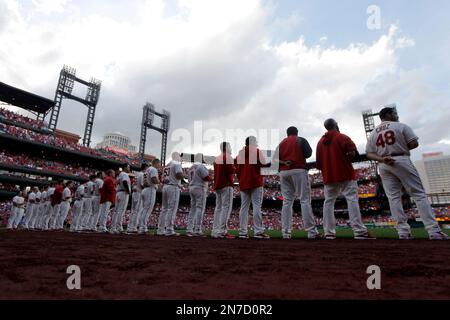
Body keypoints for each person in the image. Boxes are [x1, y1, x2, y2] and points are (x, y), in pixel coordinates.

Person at [366, 107, 448, 240]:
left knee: (393, 198)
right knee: (419, 194)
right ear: (387, 114)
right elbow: (414, 143)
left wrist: (382, 158)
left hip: (383, 164)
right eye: (394, 113)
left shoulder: (373, 133)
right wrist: (399, 146)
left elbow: (369, 153)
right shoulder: (400, 126)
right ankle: (433, 230)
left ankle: (403, 232)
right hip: (400, 159)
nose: (396, 115)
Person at [316, 119, 373, 240]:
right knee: (352, 199)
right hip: (345, 173)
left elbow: (319, 163)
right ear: (336, 125)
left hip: (329, 176)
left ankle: (329, 232)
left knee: (328, 202)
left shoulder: (320, 142)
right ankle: (359, 231)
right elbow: (353, 154)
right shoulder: (342, 137)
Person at [273, 126, 319, 239]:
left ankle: (286, 232)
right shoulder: (300, 139)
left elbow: (274, 160)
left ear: (287, 133)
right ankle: (311, 232)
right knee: (304, 200)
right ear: (296, 133)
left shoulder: (281, 143)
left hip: (284, 172)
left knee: (287, 202)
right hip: (298, 169)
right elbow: (308, 153)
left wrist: (284, 161)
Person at [236, 136, 270, 239]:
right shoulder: (256, 151)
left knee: (244, 207)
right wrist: (273, 162)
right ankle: (258, 232)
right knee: (256, 206)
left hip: (243, 182)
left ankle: (242, 232)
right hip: (255, 181)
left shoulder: (240, 154)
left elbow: (237, 170)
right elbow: (264, 164)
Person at [211, 142, 235, 239]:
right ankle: (222, 231)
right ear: (227, 147)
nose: (231, 148)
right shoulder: (227, 157)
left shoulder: (217, 158)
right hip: (226, 185)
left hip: (218, 185)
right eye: (230, 146)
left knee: (218, 208)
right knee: (226, 208)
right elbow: (231, 170)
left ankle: (215, 230)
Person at [158, 153, 183, 236]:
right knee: (171, 208)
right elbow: (179, 175)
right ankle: (169, 229)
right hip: (173, 187)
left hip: (165, 187)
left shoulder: (167, 165)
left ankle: (160, 229)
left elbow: (162, 179)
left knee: (164, 208)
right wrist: (184, 176)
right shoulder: (176, 163)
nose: (180, 158)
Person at [186, 154, 210, 237]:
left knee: (192, 209)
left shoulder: (191, 167)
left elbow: (188, 179)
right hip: (199, 187)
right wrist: (212, 178)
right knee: (200, 208)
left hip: (191, 187)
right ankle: (197, 229)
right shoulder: (201, 166)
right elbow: (206, 178)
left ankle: (189, 229)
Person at [138, 158, 161, 234]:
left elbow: (144, 183)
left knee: (144, 209)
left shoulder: (147, 170)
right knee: (147, 210)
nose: (159, 165)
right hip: (150, 190)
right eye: (159, 164)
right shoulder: (153, 169)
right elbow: (154, 179)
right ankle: (143, 228)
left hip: (145, 190)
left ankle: (142, 227)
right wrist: (159, 182)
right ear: (156, 163)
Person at [111, 164, 131, 233]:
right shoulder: (124, 174)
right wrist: (128, 191)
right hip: (123, 193)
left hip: (118, 193)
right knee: (121, 211)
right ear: (125, 168)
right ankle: (119, 227)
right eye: (128, 167)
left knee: (116, 211)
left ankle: (113, 227)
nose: (129, 168)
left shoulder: (119, 175)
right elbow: (124, 182)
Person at [128, 163, 147, 233]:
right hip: (139, 193)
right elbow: (142, 185)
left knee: (133, 211)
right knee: (137, 211)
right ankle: (134, 227)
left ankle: (130, 227)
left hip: (134, 193)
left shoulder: (136, 174)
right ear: (145, 168)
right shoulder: (142, 174)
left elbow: (133, 185)